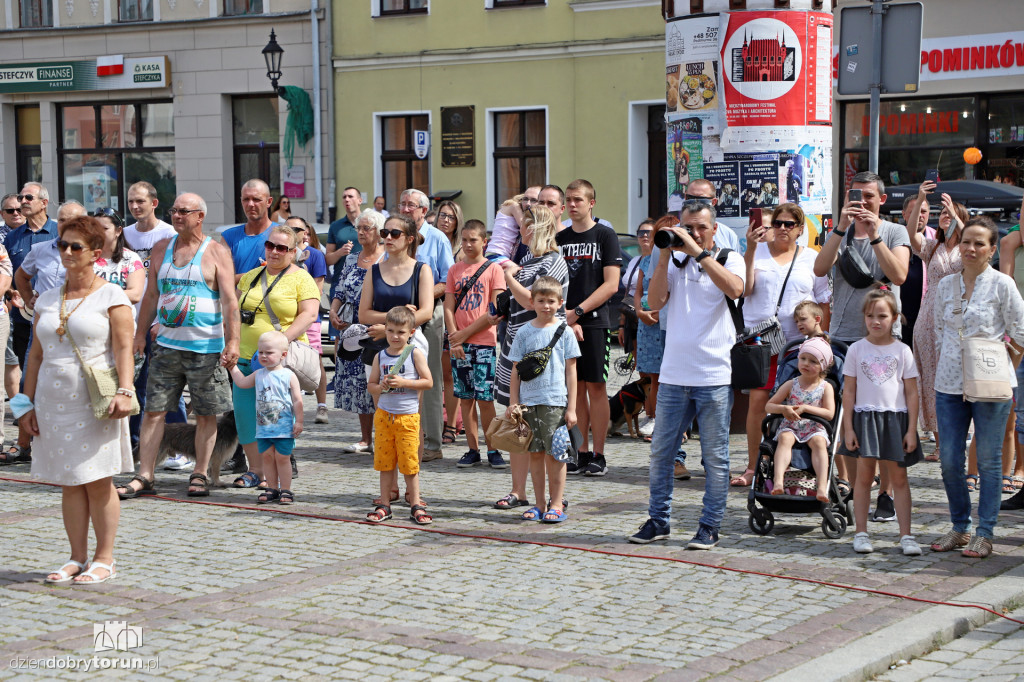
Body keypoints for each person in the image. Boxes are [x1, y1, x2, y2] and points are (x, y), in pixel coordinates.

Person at [21, 215, 135, 584]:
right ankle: (76, 556)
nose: (67, 252)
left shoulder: (111, 295)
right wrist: (24, 404)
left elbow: (123, 348)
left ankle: (105, 558)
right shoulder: (49, 297)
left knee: (97, 479)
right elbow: (35, 355)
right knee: (69, 481)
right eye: (62, 245)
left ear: (96, 254)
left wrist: (125, 390)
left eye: (76, 247)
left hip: (94, 399)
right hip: (52, 400)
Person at [628, 201, 745, 549]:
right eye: (688, 227)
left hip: (713, 376)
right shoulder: (673, 261)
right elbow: (655, 301)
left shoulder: (728, 257)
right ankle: (658, 520)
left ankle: (709, 526)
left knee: (715, 458)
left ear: (713, 229)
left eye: (700, 228)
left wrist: (698, 253)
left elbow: (736, 289)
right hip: (674, 375)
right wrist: (665, 254)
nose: (694, 234)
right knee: (662, 453)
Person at [115, 193, 239, 499]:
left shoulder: (216, 252)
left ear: (200, 216)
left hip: (206, 348)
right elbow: (152, 297)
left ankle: (200, 473)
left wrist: (233, 340)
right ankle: (145, 475)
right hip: (167, 346)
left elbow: (229, 301)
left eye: (184, 211)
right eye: (174, 211)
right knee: (154, 411)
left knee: (207, 414)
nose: (177, 216)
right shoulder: (161, 248)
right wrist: (141, 333)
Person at [813, 171, 911, 524]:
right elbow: (819, 268)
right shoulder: (838, 232)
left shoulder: (895, 231)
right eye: (857, 195)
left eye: (869, 196)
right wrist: (841, 228)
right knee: (847, 417)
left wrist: (874, 236)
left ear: (882, 199)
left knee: (884, 417)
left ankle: (885, 492)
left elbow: (898, 275)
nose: (863, 202)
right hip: (842, 336)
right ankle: (856, 487)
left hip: (884, 340)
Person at [930, 217, 1024, 558]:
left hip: (991, 386)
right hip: (950, 384)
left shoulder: (1002, 285)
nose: (970, 248)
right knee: (950, 459)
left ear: (992, 249)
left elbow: (1022, 330)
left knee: (988, 460)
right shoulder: (945, 285)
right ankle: (960, 526)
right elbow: (939, 329)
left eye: (979, 243)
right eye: (966, 241)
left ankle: (984, 532)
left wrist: (1005, 367)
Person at [732, 203, 830, 489]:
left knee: (800, 404)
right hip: (762, 343)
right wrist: (750, 250)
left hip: (800, 345)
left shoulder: (812, 258)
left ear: (801, 229)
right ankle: (753, 466)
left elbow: (822, 301)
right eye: (778, 223)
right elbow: (745, 290)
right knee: (758, 405)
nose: (783, 229)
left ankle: (793, 466)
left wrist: (822, 336)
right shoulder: (755, 252)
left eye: (790, 224)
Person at [491, 206, 568, 510]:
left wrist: (508, 278)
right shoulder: (527, 260)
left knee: (547, 429)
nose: (520, 232)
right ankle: (518, 491)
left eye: (525, 226)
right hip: (516, 348)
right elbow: (516, 304)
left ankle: (554, 497)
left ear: (539, 228)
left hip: (542, 356)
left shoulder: (554, 261)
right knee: (517, 421)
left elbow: (531, 301)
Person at [230, 225, 319, 489]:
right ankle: (255, 469)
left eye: (282, 248)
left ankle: (277, 469)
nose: (274, 252)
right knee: (245, 416)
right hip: (246, 357)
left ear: (293, 252)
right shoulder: (251, 276)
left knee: (275, 416)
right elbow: (234, 310)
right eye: (270, 246)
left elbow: (309, 314)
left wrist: (283, 340)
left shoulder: (301, 278)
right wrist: (231, 342)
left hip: (278, 362)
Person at [839, 286, 923, 556]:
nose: (876, 321)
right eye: (870, 315)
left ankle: (906, 535)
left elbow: (911, 392)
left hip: (896, 420)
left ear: (895, 318)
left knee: (899, 478)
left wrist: (912, 429)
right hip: (865, 419)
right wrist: (849, 427)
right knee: (863, 477)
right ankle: (861, 533)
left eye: (882, 316)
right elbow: (849, 391)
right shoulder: (855, 350)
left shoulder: (903, 351)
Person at [359, 214, 434, 500]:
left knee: (410, 419)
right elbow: (363, 314)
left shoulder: (421, 269)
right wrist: (398, 316)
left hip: (412, 348)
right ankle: (388, 486)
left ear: (409, 238)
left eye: (394, 233)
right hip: (376, 347)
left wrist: (394, 323)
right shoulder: (374, 271)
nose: (387, 238)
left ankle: (412, 489)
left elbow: (425, 311)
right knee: (384, 418)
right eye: (384, 233)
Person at [556, 179, 622, 477]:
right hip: (565, 322)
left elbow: (611, 284)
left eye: (578, 200)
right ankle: (579, 451)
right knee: (574, 391)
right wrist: (564, 316)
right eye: (568, 200)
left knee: (596, 387)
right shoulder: (560, 238)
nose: (572, 205)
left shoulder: (604, 235)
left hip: (594, 322)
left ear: (591, 202)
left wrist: (578, 312)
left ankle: (598, 454)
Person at [506, 276, 580, 523]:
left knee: (556, 454)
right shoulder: (523, 332)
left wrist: (572, 408)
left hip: (555, 402)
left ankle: (556, 503)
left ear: (560, 303)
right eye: (541, 300)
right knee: (535, 454)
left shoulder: (566, 331)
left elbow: (571, 371)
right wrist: (513, 402)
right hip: (529, 403)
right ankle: (539, 503)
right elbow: (516, 370)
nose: (546, 306)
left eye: (551, 301)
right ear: (532, 302)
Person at [906, 181, 967, 464]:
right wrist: (920, 199)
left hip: (957, 320)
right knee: (932, 382)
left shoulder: (968, 249)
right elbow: (911, 233)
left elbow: (973, 242)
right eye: (941, 214)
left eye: (950, 214)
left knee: (958, 381)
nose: (944, 216)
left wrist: (956, 217)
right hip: (928, 319)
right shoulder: (933, 247)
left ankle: (958, 442)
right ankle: (942, 445)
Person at [123, 182, 183, 463]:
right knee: (133, 384)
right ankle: (138, 445)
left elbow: (174, 281)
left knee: (167, 386)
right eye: (131, 202)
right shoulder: (124, 235)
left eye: (140, 202)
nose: (135, 207)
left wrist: (162, 320)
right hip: (130, 321)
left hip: (161, 322)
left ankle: (178, 448)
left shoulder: (169, 234)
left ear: (154, 203)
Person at [444, 219, 506, 468]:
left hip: (483, 343)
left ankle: (493, 448)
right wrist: (454, 337)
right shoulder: (454, 270)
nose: (468, 244)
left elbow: (494, 311)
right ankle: (472, 448)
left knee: (485, 399)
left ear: (484, 242)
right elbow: (448, 307)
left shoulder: (493, 269)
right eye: (465, 240)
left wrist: (464, 333)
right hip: (458, 344)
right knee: (465, 398)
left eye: (473, 240)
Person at [398, 188, 454, 462]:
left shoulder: (438, 239)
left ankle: (433, 442)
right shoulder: (396, 236)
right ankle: (404, 437)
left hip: (430, 314)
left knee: (428, 376)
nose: (406, 209)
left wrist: (421, 296)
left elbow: (449, 281)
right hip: (398, 316)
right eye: (403, 205)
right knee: (398, 374)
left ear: (423, 210)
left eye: (411, 205)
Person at [366, 306, 433, 525]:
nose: (395, 336)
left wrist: (404, 383)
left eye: (401, 332)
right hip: (385, 416)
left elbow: (428, 382)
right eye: (391, 331)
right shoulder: (380, 356)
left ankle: (415, 503)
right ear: (385, 330)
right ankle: (385, 503)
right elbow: (371, 386)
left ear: (411, 332)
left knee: (409, 464)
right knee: (385, 463)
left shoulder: (414, 353)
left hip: (407, 418)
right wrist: (382, 386)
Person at [331, 209, 386, 453]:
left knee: (378, 380)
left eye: (367, 228)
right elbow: (340, 291)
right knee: (358, 383)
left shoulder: (386, 259)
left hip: (376, 326)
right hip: (351, 327)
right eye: (359, 228)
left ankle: (385, 434)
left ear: (378, 232)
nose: (361, 233)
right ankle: (366, 438)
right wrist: (334, 311)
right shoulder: (352, 259)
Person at [229, 330, 303, 505]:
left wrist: (299, 421)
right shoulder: (258, 374)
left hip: (284, 427)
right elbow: (241, 382)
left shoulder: (289, 375)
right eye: (260, 352)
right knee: (268, 458)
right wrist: (232, 367)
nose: (263, 356)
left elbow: (297, 400)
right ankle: (272, 488)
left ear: (283, 355)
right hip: (263, 427)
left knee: (282, 458)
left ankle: (286, 489)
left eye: (269, 353)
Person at [766, 337, 836, 502]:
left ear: (823, 367)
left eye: (813, 361)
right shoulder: (791, 384)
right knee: (784, 437)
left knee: (819, 442)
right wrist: (783, 408)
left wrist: (806, 408)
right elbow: (769, 406)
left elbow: (829, 413)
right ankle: (778, 481)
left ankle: (821, 487)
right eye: (803, 358)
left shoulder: (826, 387)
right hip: (792, 425)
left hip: (814, 427)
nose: (806, 363)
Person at [286, 216, 330, 424]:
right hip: (284, 318)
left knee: (315, 361)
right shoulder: (282, 253)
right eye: (288, 228)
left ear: (305, 232)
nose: (293, 231)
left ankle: (321, 406)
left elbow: (318, 289)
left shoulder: (315, 255)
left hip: (308, 318)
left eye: (297, 228)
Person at [633, 217, 672, 443]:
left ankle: (667, 422)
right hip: (646, 323)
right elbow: (637, 291)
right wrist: (639, 311)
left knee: (665, 376)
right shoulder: (646, 261)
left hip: (665, 321)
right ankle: (652, 417)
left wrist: (657, 313)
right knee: (651, 375)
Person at [435, 200, 465, 445]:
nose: (445, 220)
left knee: (451, 374)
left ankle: (453, 424)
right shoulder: (431, 242)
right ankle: (437, 421)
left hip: (457, 317)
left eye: (451, 217)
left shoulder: (462, 249)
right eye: (442, 215)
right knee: (433, 373)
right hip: (435, 312)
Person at [897, 192, 934, 350]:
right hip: (899, 316)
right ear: (904, 214)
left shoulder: (937, 239)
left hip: (927, 317)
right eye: (914, 211)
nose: (919, 215)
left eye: (923, 211)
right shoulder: (894, 237)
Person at [221, 179, 276, 285]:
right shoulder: (229, 237)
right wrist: (257, 274)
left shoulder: (282, 235)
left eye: (256, 199)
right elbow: (222, 279)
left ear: (268, 202)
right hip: (238, 300)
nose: (250, 204)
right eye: (246, 199)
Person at [90, 208, 145, 305]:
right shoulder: (85, 256)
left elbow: (135, 295)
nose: (98, 233)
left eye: (105, 228)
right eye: (95, 228)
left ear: (118, 231)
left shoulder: (131, 259)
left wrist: (99, 296)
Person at [326, 186, 364, 301]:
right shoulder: (335, 226)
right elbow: (328, 259)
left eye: (350, 196)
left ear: (359, 201)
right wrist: (339, 252)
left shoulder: (369, 223)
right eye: (344, 197)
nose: (347, 199)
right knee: (336, 317)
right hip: (340, 282)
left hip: (364, 281)